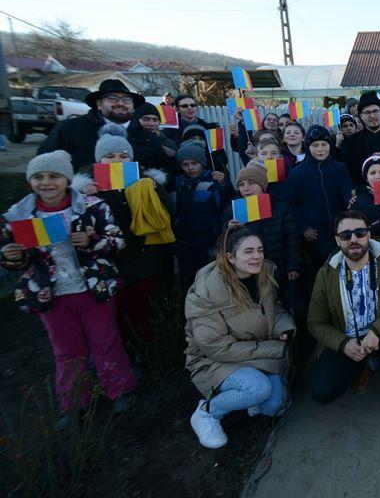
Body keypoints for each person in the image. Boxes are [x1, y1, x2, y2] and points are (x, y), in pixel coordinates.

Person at [0, 151, 135, 426]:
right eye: (38, 177)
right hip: (50, 294)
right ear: (30, 181)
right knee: (66, 349)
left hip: (93, 287)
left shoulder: (92, 206)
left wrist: (90, 240)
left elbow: (118, 242)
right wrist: (11, 257)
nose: (46, 183)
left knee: (105, 340)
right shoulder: (18, 215)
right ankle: (73, 402)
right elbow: (11, 256)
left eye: (54, 176)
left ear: (67, 179)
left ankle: (120, 389)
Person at [308, 211, 380, 420]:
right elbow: (316, 322)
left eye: (360, 232)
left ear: (369, 235)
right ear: (337, 240)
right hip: (349, 338)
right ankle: (361, 365)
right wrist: (343, 344)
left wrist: (377, 330)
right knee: (322, 392)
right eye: (345, 235)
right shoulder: (326, 274)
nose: (353, 239)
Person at [185, 228, 296, 449]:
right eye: (248, 251)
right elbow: (215, 347)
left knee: (275, 407)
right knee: (258, 389)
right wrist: (273, 348)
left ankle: (250, 399)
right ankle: (207, 412)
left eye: (259, 250)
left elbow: (274, 309)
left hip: (254, 351)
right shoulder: (208, 290)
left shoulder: (264, 275)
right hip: (217, 360)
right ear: (230, 257)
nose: (256, 256)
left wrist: (286, 327)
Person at [74, 126, 174, 351]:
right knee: (117, 314)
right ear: (99, 160)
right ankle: (125, 352)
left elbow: (167, 212)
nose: (117, 160)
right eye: (110, 156)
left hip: (144, 258)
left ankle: (152, 350)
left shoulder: (145, 180)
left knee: (145, 309)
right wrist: (88, 195)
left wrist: (152, 190)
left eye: (123, 156)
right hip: (111, 263)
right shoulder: (88, 190)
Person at [224, 163, 302, 313]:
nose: (246, 188)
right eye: (241, 184)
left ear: (263, 185)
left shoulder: (281, 208)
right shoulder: (232, 211)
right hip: (251, 270)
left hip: (280, 269)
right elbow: (225, 243)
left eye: (251, 183)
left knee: (284, 307)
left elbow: (292, 238)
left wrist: (293, 265)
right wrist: (231, 230)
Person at [282, 125, 354, 267]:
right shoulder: (298, 173)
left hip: (339, 230)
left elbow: (347, 193)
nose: (320, 149)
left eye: (324, 144)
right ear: (308, 146)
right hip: (314, 235)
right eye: (315, 145)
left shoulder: (340, 168)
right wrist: (304, 228)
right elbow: (289, 203)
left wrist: (350, 203)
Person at [38, 79, 148, 170]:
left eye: (127, 100)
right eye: (112, 99)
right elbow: (43, 166)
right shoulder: (70, 129)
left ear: (133, 106)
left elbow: (160, 169)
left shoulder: (146, 135)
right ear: (99, 104)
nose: (120, 103)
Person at [171, 143, 231, 288]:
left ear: (202, 163)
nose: (190, 168)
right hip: (185, 242)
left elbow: (226, 205)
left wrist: (224, 184)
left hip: (209, 241)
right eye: (185, 164)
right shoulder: (178, 185)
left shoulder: (213, 183)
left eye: (194, 163)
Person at [341, 92, 380, 184]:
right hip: (362, 191)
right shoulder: (351, 142)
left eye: (375, 111)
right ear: (361, 116)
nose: (372, 116)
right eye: (367, 112)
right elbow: (348, 170)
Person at [133, 102, 178, 170]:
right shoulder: (127, 141)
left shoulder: (168, 144)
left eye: (155, 120)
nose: (151, 124)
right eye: (146, 119)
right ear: (135, 120)